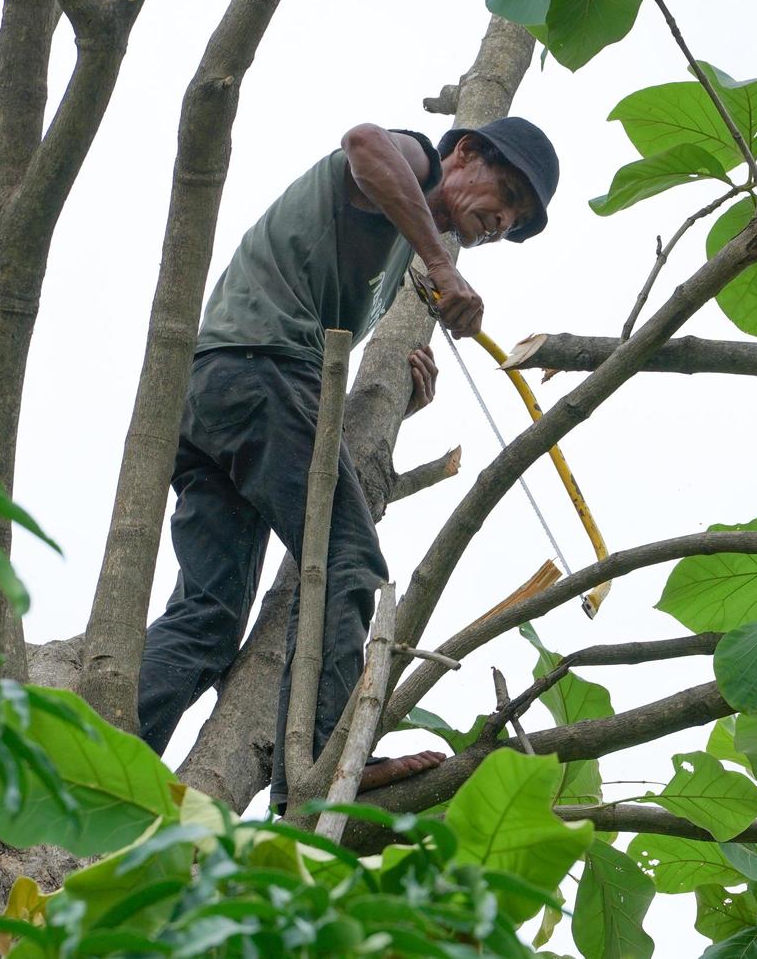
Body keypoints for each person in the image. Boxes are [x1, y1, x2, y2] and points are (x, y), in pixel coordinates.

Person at [135, 117, 560, 811]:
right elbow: (363, 142)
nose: (501, 219)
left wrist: (403, 407)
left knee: (209, 619)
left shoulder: (398, 238)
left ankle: (85, 768)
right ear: (464, 153)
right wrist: (445, 265)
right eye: (505, 193)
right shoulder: (418, 162)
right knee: (347, 563)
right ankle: (322, 771)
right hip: (261, 370)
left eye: (513, 220)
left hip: (217, 392)